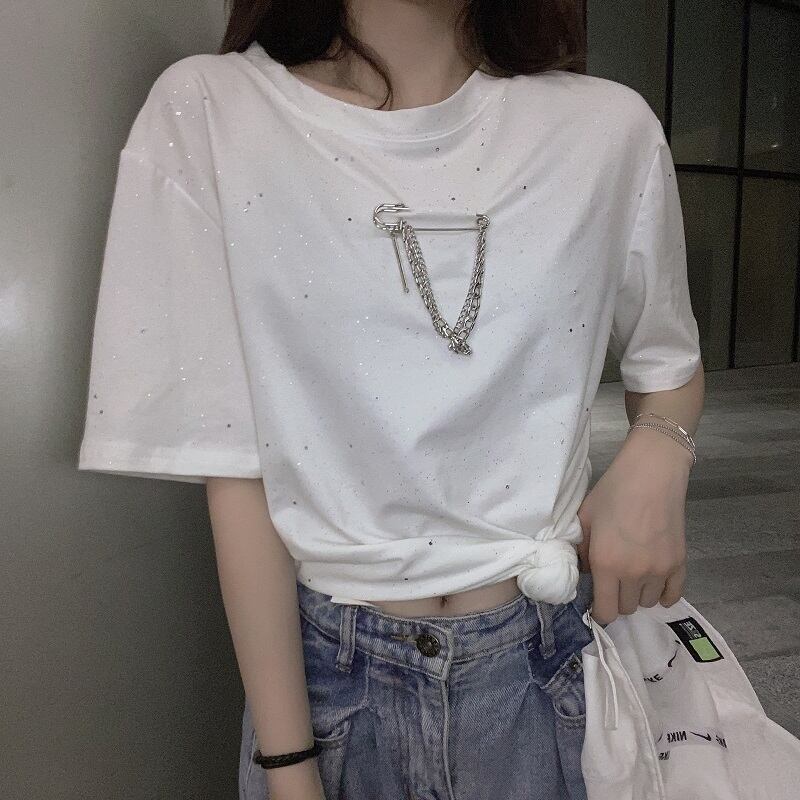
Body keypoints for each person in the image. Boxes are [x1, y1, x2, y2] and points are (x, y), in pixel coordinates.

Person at [78, 1, 705, 798]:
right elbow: (235, 467)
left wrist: (659, 455)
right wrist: (290, 767)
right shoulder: (212, 110)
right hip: (330, 692)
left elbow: (668, 362)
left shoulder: (606, 129)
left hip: (542, 677)